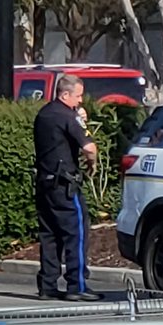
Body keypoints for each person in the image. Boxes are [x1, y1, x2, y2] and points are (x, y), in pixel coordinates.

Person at [33, 74, 101, 301]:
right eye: (78, 96)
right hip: (65, 185)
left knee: (49, 234)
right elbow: (89, 147)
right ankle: (77, 285)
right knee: (77, 233)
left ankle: (47, 284)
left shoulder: (44, 114)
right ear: (65, 95)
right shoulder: (68, 116)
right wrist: (92, 164)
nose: (80, 101)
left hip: (44, 182)